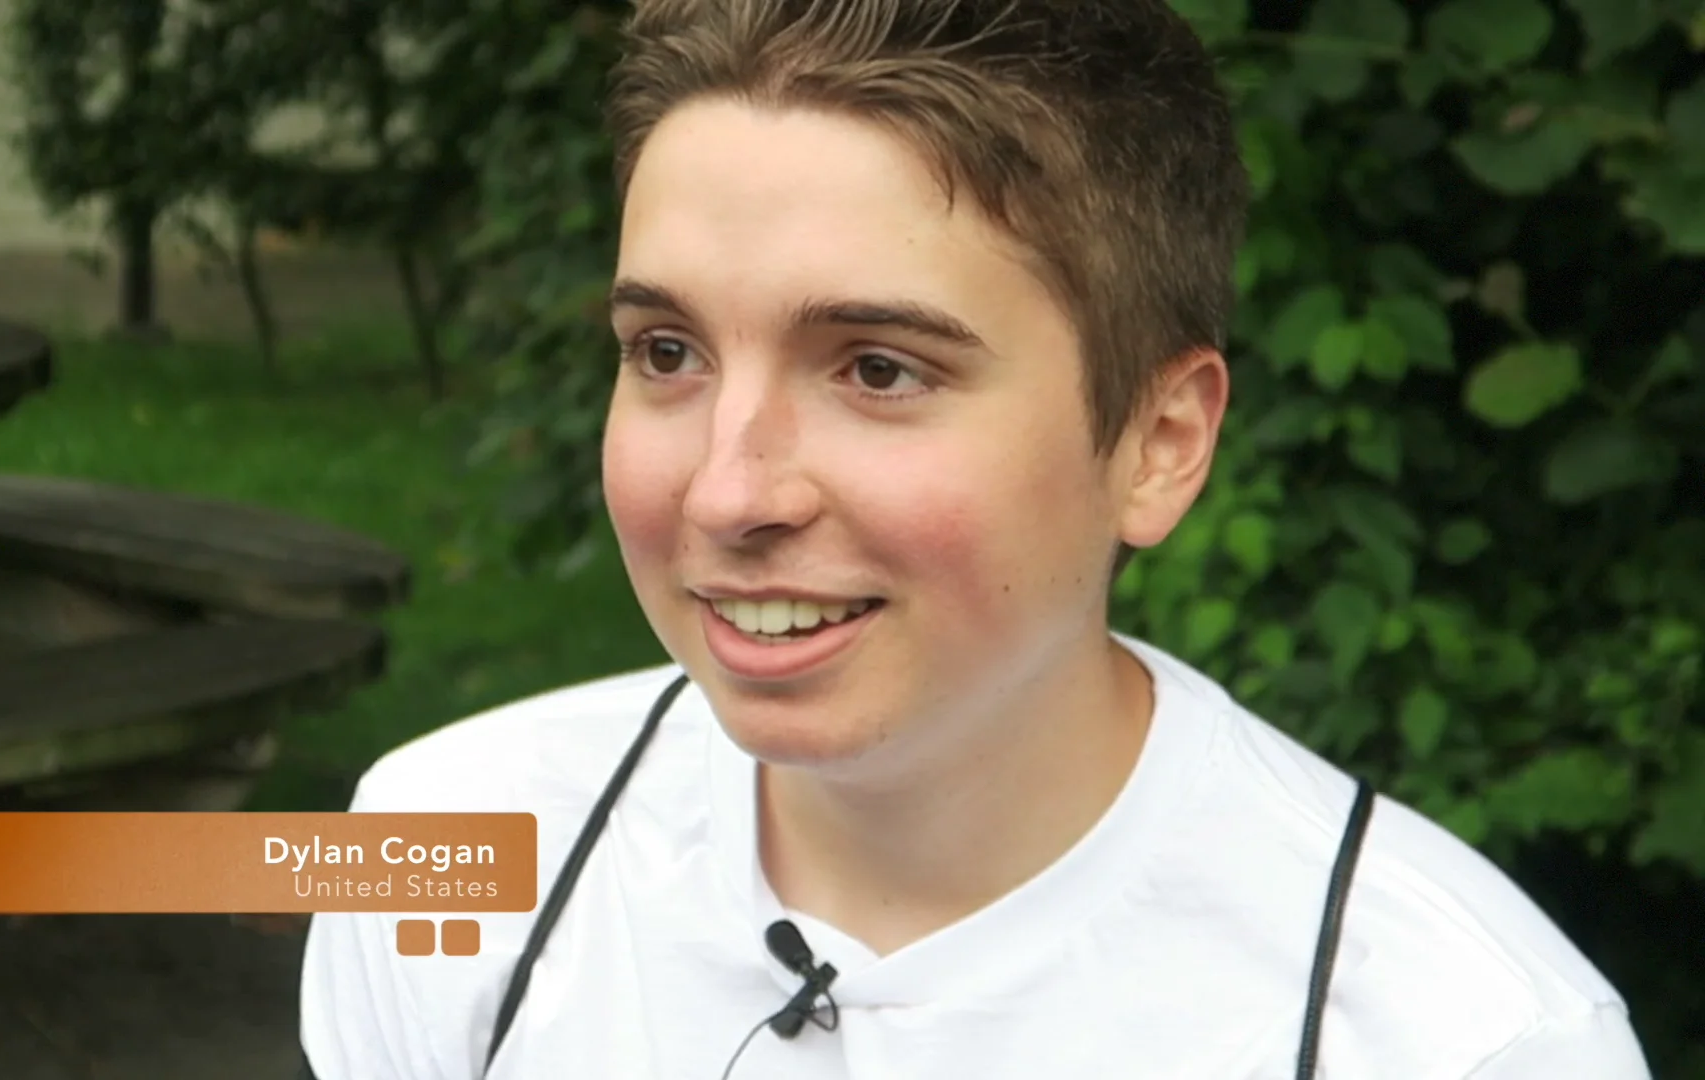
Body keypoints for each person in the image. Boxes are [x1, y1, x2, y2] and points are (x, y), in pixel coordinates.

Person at [298, 1, 1654, 1077]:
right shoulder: (440, 847)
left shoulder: (1461, 1039)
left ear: (1158, 441)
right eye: (667, 351)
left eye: (879, 369)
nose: (724, 493)